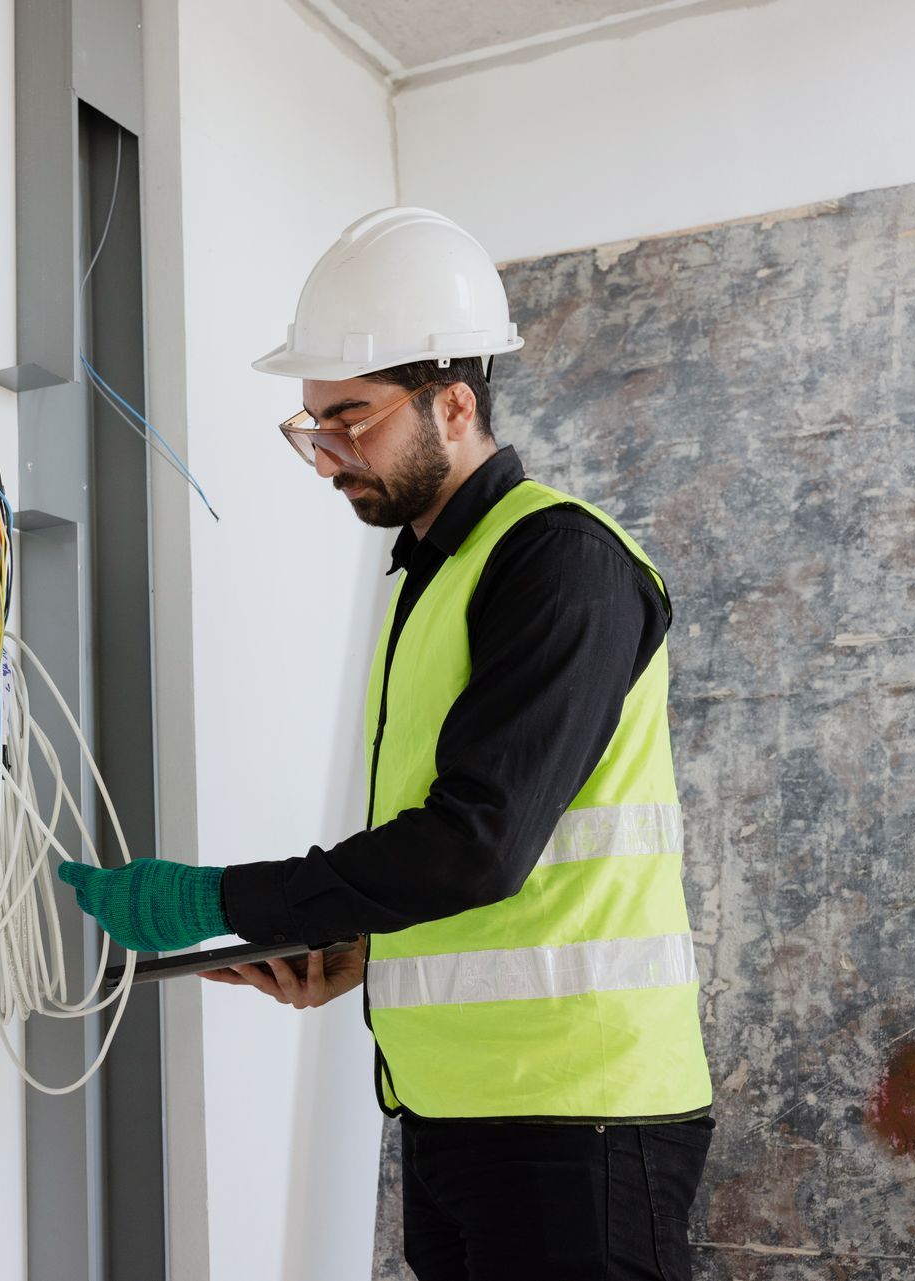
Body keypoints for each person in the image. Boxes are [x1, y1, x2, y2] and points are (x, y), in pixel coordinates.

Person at [57, 207, 716, 1279]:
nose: (325, 457)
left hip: (581, 1124)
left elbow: (475, 846)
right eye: (312, 426)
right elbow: (499, 870)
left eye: (351, 420)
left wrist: (216, 900)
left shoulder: (561, 564)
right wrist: (359, 953)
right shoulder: (435, 577)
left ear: (454, 405)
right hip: (458, 1115)